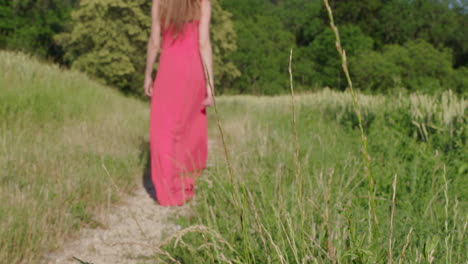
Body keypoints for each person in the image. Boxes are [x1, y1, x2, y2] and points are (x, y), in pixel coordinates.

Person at [143, 0, 214, 206]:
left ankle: (167, 189)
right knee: (189, 128)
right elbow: (204, 44)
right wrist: (210, 83)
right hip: (193, 71)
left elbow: (155, 42)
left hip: (169, 68)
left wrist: (148, 74)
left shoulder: (159, 2)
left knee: (163, 129)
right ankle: (184, 183)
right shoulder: (202, 3)